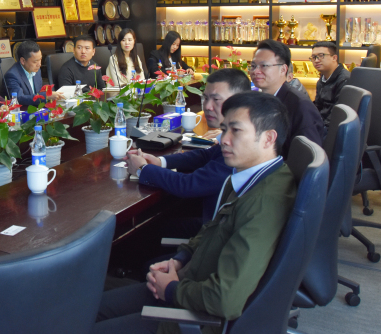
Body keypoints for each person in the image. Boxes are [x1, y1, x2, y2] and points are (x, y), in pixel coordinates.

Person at [92, 92, 296, 334]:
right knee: (88, 311)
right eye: (224, 130)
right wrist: (180, 259)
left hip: (196, 317)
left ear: (268, 138)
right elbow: (212, 230)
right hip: (189, 282)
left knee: (87, 325)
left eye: (236, 131)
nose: (224, 140)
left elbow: (226, 299)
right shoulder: (249, 177)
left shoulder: (263, 203)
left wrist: (171, 290)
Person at [124, 69, 250, 224]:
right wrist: (160, 162)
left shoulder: (240, 145)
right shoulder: (234, 135)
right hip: (213, 220)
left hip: (215, 231)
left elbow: (188, 185)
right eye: (205, 98)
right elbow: (205, 155)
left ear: (239, 101)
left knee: (151, 228)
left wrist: (142, 169)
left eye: (216, 99)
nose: (208, 106)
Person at [250, 39, 323, 157]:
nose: (256, 71)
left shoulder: (300, 106)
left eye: (264, 66)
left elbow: (308, 157)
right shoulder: (261, 99)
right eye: (253, 66)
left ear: (283, 69)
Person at [5, 41, 65, 107]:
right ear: (23, 61)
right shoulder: (12, 75)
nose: (39, 64)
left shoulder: (36, 70)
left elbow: (39, 92)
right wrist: (46, 96)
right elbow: (19, 99)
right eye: (35, 61)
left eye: (40, 59)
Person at [311, 41, 349, 136]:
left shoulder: (344, 80)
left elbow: (338, 114)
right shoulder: (322, 79)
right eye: (314, 57)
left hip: (334, 131)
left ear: (334, 58)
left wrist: (317, 129)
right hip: (322, 125)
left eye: (321, 56)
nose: (316, 60)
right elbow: (318, 107)